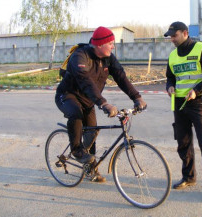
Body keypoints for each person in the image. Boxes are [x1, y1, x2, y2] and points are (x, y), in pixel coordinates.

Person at [55, 26, 147, 182]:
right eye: (110, 43)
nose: (113, 46)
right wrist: (104, 103)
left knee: (92, 131)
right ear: (99, 45)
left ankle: (91, 169)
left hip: (88, 100)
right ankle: (77, 151)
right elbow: (86, 82)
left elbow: (121, 78)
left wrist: (137, 97)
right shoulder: (80, 57)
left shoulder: (109, 58)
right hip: (68, 95)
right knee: (76, 113)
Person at [164, 21, 202, 203]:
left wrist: (197, 90)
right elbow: (170, 77)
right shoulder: (173, 55)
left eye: (174, 35)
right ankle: (189, 177)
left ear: (185, 33)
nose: (172, 39)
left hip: (198, 103)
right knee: (183, 143)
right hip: (179, 105)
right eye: (170, 36)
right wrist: (170, 87)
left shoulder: (201, 48)